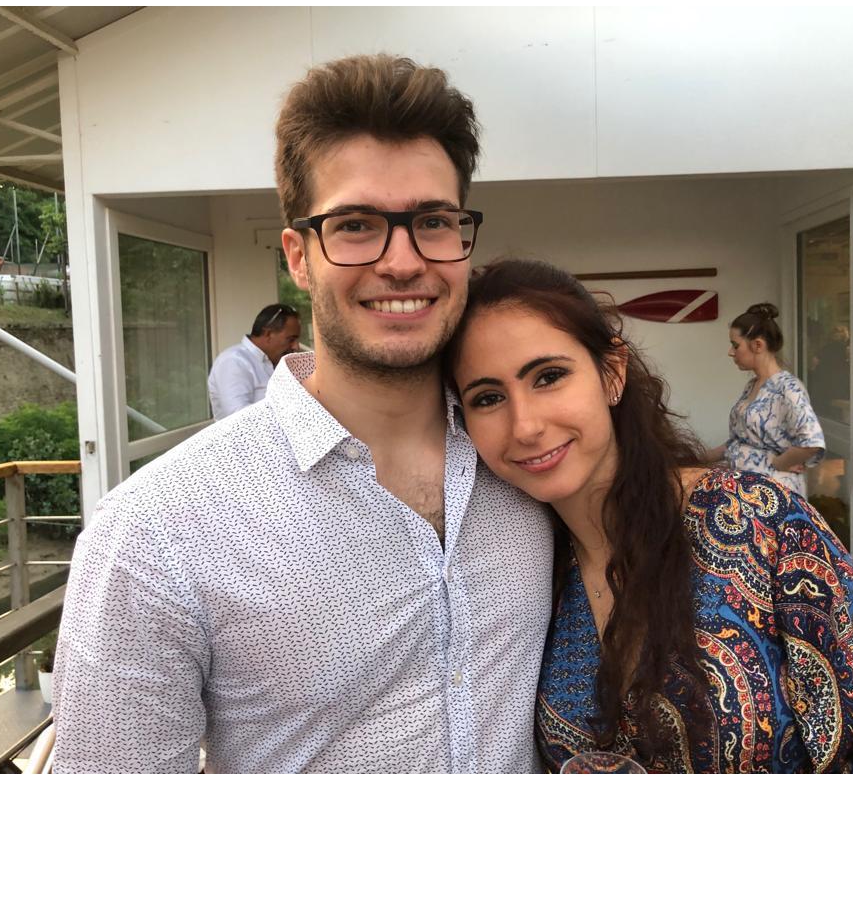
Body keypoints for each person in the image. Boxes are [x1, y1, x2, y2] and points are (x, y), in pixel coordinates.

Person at [52, 55, 552, 773]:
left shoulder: (529, 462)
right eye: (356, 224)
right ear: (298, 255)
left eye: (433, 222)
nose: (403, 261)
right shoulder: (154, 535)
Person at [446, 259, 853, 773]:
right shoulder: (529, 568)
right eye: (488, 397)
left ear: (612, 373)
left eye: (549, 376)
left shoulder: (757, 521)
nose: (525, 426)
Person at [706, 302, 825, 497]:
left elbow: (811, 441)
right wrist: (694, 457)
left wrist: (779, 463)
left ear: (758, 345)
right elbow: (737, 442)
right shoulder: (752, 385)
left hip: (772, 495)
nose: (731, 352)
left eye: (736, 345)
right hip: (746, 493)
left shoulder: (788, 387)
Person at [207, 303, 301, 419]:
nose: (296, 346)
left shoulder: (277, 362)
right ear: (268, 334)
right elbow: (238, 417)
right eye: (291, 339)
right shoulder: (234, 361)